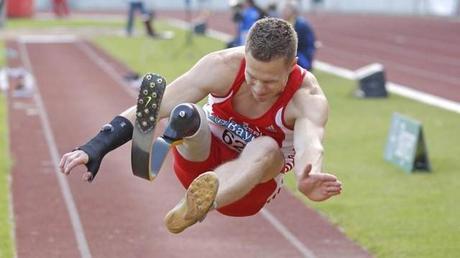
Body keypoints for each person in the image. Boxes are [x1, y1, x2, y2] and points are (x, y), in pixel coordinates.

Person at [59, 17, 342, 234]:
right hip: (198, 163)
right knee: (184, 112)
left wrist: (309, 175)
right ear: (245, 55)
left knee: (268, 147)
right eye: (252, 76)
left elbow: (310, 143)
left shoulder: (307, 97)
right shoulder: (222, 66)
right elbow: (153, 106)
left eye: (269, 81)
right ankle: (166, 146)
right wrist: (96, 146)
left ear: (292, 64)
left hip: (246, 190)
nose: (258, 87)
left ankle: (200, 205)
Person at [281, 0, 316, 71]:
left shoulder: (302, 25)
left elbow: (309, 43)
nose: (284, 11)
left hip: (301, 56)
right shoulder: (283, 23)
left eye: (286, 9)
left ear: (293, 11)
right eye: (284, 9)